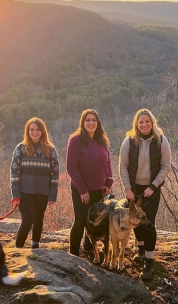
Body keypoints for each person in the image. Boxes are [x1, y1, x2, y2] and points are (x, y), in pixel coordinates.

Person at [119, 108, 171, 280]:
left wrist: (153, 186)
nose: (144, 124)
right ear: (136, 124)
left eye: (147, 121)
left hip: (151, 190)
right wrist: (127, 188)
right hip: (134, 190)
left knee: (148, 224)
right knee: (135, 221)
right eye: (141, 122)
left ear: (152, 122)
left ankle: (149, 262)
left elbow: (165, 166)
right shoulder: (129, 141)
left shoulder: (161, 141)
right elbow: (123, 166)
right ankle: (140, 249)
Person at [66, 109, 113, 256]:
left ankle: (88, 246)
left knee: (95, 220)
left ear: (98, 123)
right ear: (83, 122)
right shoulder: (75, 140)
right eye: (88, 120)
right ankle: (73, 253)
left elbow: (108, 163)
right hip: (81, 190)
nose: (91, 123)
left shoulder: (102, 140)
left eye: (94, 120)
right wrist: (82, 190)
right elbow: (71, 167)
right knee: (80, 221)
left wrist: (108, 182)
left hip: (99, 189)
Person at [10, 117, 60, 249]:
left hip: (43, 192)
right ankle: (18, 248)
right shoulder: (20, 148)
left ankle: (35, 247)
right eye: (31, 130)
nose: (35, 132)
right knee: (27, 220)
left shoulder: (50, 150)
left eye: (38, 130)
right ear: (27, 131)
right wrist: (15, 194)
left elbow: (54, 173)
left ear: (43, 132)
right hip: (25, 191)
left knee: (39, 219)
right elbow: (14, 172)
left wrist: (53, 194)